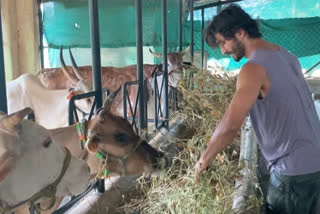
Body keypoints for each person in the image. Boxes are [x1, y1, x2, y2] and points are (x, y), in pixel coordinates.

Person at [194, 4, 320, 214]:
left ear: (240, 33)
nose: (223, 51)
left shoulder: (252, 69)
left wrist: (203, 161)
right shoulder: (288, 56)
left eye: (224, 43)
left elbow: (230, 125)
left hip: (292, 174)